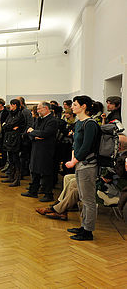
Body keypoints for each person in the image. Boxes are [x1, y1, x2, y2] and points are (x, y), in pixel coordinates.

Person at [64, 95, 101, 241]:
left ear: (83, 106)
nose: (72, 107)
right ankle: (84, 226)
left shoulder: (90, 124)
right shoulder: (79, 123)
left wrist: (74, 161)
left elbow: (86, 146)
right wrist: (74, 160)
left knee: (88, 199)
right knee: (83, 197)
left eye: (74, 104)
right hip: (80, 164)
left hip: (88, 165)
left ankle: (88, 231)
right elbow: (76, 145)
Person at [21, 102, 59, 201]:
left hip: (46, 150)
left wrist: (34, 132)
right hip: (36, 147)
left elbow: (45, 133)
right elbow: (28, 132)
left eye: (39, 109)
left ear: (46, 108)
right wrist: (35, 135)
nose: (37, 111)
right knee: (34, 170)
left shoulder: (52, 120)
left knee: (45, 172)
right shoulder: (38, 119)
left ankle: (48, 194)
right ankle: (33, 191)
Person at [0, 99, 25, 186]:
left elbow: (9, 125)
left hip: (15, 139)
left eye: (11, 105)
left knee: (16, 159)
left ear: (14, 105)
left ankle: (17, 179)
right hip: (8, 138)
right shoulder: (10, 114)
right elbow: (4, 125)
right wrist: (9, 126)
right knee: (10, 159)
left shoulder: (20, 114)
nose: (10, 106)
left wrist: (8, 126)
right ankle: (11, 176)